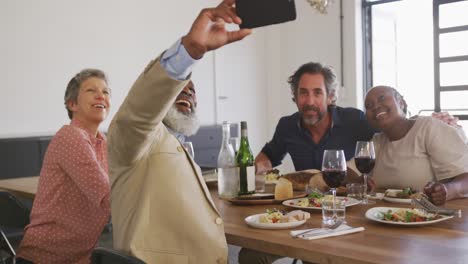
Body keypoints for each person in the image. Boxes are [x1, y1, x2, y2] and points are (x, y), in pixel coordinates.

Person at [107, 0, 251, 263]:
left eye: (192, 91)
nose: (187, 93)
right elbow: (141, 110)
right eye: (180, 88)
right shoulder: (134, 138)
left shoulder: (178, 143)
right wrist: (189, 52)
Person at [16, 69, 111, 264]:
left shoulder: (103, 142)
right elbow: (108, 196)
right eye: (91, 90)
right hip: (46, 257)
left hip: (79, 257)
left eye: (106, 91)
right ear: (72, 104)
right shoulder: (71, 137)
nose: (101, 95)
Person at [255, 62, 376, 174]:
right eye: (303, 93)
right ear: (295, 97)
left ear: (330, 97)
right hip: (305, 197)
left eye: (317, 93)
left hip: (347, 197)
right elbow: (267, 157)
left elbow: (387, 140)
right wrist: (259, 168)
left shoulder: (355, 120)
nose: (310, 101)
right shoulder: (287, 126)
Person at [363, 85, 468, 205]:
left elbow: (465, 177)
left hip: (432, 215)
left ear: (401, 103)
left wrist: (448, 190)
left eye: (381, 98)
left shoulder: (429, 127)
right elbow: (347, 170)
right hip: (383, 215)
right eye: (368, 106)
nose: (375, 106)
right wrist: (358, 180)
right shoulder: (377, 141)